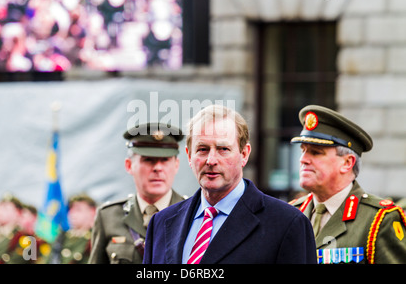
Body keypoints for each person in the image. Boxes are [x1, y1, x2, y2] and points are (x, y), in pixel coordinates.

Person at [143, 105, 317, 264]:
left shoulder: (287, 224)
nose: (211, 160)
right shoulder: (161, 222)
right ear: (189, 156)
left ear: (244, 154)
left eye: (223, 149)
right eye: (202, 149)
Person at [290, 105, 406, 264]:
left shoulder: (378, 220)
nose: (303, 159)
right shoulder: (290, 213)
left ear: (347, 162)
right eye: (303, 150)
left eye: (316, 152)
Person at [89, 122, 186, 264]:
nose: (158, 168)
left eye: (165, 160)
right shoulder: (108, 217)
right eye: (148, 160)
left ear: (176, 165)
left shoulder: (192, 213)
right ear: (129, 166)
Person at [47, 194, 96, 264]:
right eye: (70, 209)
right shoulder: (61, 238)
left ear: (92, 211)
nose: (72, 213)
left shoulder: (95, 238)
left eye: (78, 209)